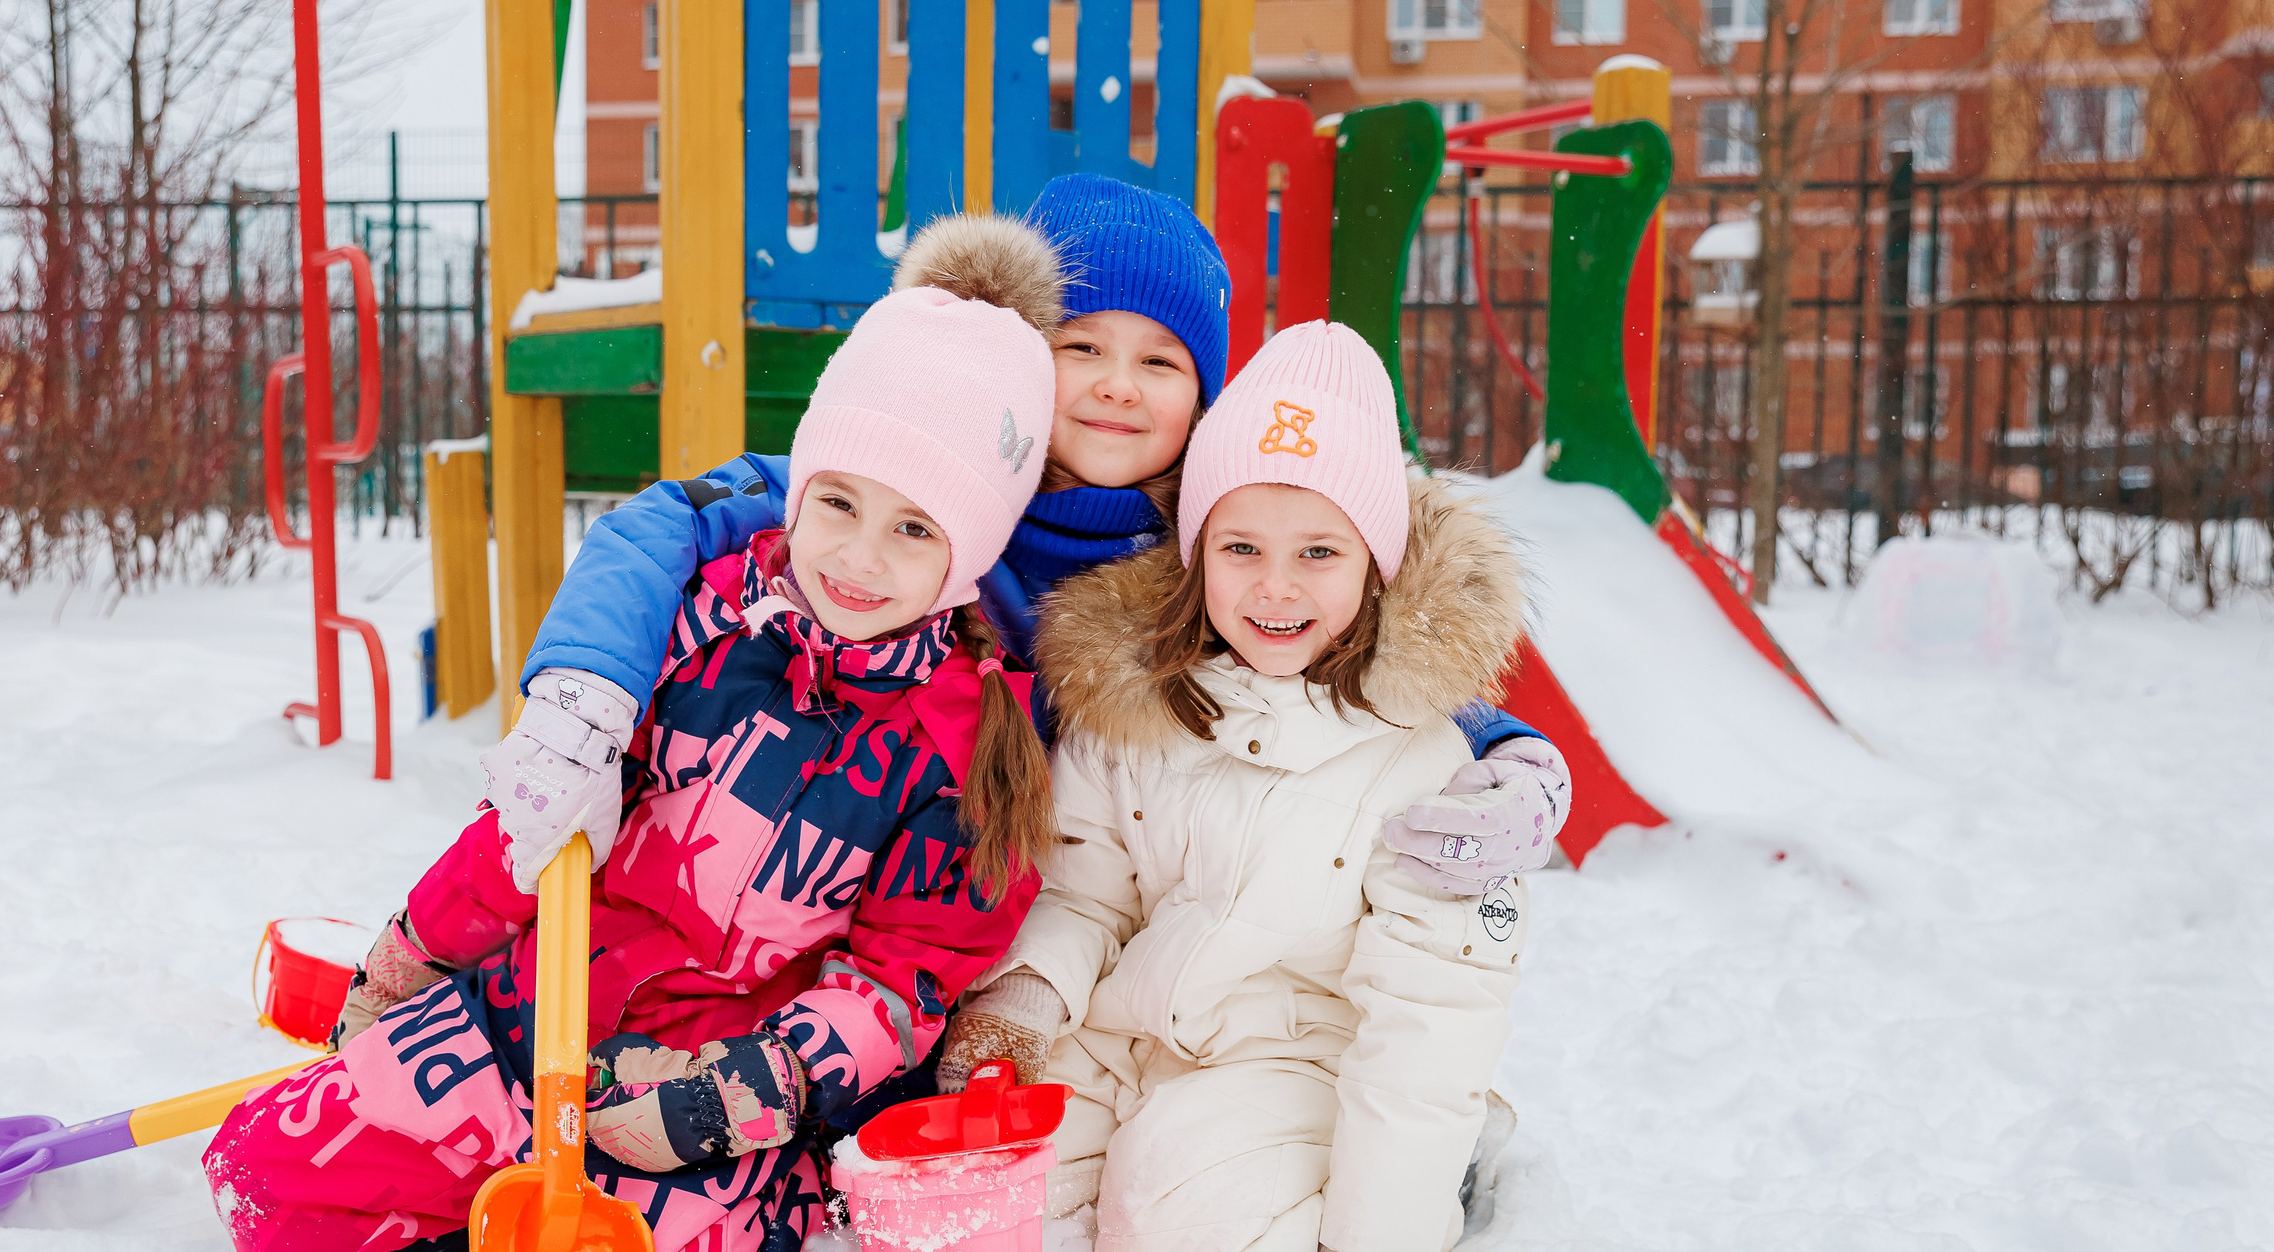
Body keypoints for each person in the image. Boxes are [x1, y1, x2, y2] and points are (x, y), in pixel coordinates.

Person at [204, 214, 1063, 1252]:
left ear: (968, 551)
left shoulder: (972, 746)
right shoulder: (697, 623)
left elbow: (899, 983)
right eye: (839, 504)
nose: (859, 557)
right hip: (541, 1011)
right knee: (260, 1187)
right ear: (797, 488)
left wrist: (742, 1093)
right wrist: (411, 957)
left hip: (715, 1088)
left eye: (915, 528)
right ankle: (479, 1175)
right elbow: (541, 824)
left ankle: (751, 1215)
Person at [474, 176, 1571, 1087]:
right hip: (836, 853)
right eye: (1080, 345)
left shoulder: (1222, 545)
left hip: (1033, 916)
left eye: (1162, 362)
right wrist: (584, 690)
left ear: (1205, 394)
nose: (1115, 389)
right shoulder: (912, 482)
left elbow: (1358, 659)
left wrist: (1513, 756)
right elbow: (670, 520)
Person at [970, 321, 1531, 1252]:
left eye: (1318, 553)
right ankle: (1166, 1156)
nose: (1275, 589)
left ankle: (1435, 1178)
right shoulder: (1138, 707)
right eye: (1241, 549)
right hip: (1134, 1037)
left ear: (1375, 566)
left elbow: (1428, 1017)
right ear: (1194, 554)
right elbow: (1087, 890)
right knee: (980, 1196)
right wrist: (1026, 994)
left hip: (1300, 1060)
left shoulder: (1426, 768)